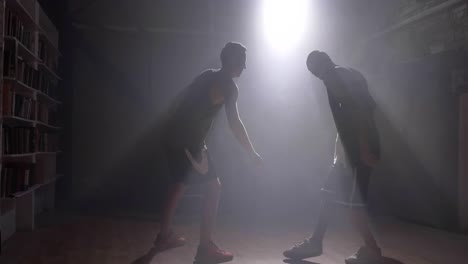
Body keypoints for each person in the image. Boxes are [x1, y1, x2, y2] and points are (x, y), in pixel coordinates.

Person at [155, 42, 262, 264]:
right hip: (188, 142)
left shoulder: (207, 74)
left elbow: (181, 100)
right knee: (213, 187)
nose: (245, 66)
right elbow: (235, 124)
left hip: (175, 136)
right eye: (242, 61)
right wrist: (252, 153)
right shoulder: (230, 87)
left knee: (179, 184)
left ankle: (164, 236)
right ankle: (204, 249)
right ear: (233, 62)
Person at [283, 51, 382, 264]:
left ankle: (372, 250)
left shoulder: (333, 77)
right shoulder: (352, 73)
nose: (315, 74)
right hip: (349, 148)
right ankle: (315, 242)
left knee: (353, 205)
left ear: (317, 68)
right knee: (329, 193)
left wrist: (363, 146)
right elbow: (371, 108)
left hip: (356, 149)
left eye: (312, 69)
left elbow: (357, 111)